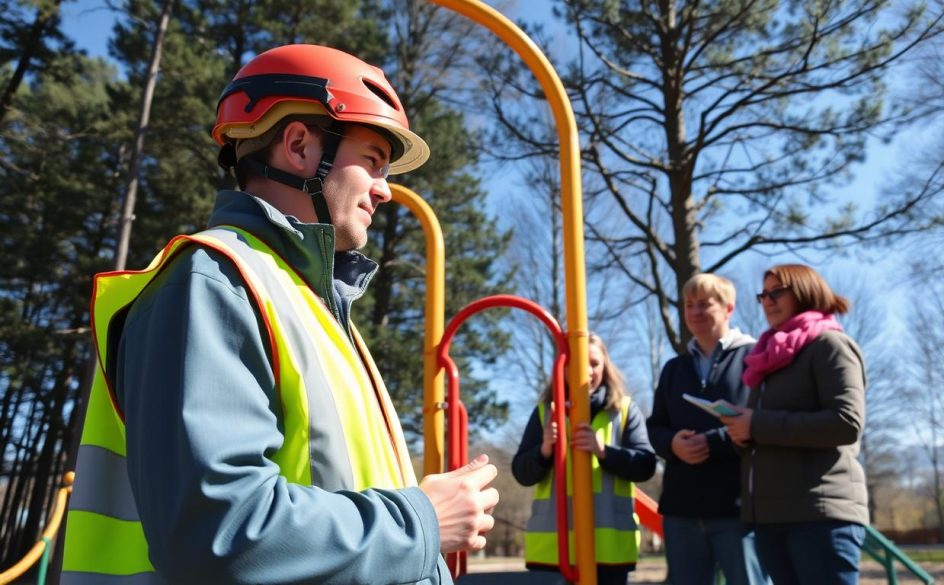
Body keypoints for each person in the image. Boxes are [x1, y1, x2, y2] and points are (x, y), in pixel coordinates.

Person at [62, 44, 498, 584]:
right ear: (299, 146)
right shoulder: (214, 283)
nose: (386, 190)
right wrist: (422, 520)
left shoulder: (308, 303)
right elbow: (219, 533)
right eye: (374, 162)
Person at [720, 264, 868, 585]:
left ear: (805, 291)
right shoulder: (768, 359)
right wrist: (740, 434)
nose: (768, 301)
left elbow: (846, 422)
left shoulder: (830, 345)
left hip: (820, 516)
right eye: (763, 295)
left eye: (777, 292)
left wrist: (755, 424)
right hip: (771, 518)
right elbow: (761, 431)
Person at [646, 274, 769, 585]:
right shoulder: (674, 368)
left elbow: (764, 421)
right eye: (689, 305)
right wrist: (672, 443)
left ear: (728, 308)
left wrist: (711, 442)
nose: (695, 312)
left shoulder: (755, 359)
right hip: (681, 509)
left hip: (739, 509)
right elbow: (656, 426)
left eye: (704, 304)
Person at [512, 332, 656, 585]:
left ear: (605, 366)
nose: (586, 371)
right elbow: (521, 473)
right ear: (562, 367)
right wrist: (544, 450)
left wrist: (605, 452)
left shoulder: (623, 410)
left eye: (594, 363)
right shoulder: (546, 411)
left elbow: (645, 466)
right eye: (576, 364)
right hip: (554, 549)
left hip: (609, 550)